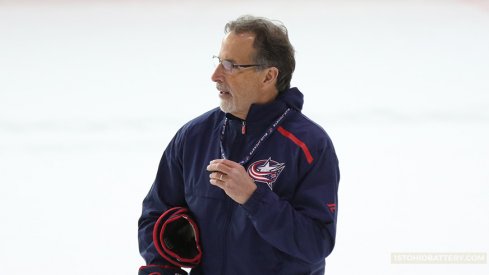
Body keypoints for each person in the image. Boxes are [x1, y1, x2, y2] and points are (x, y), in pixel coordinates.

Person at [138, 15, 340, 275]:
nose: (215, 75)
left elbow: (316, 242)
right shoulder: (193, 136)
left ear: (268, 76)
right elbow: (155, 216)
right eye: (219, 62)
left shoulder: (310, 145)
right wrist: (161, 270)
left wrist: (254, 198)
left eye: (231, 65)